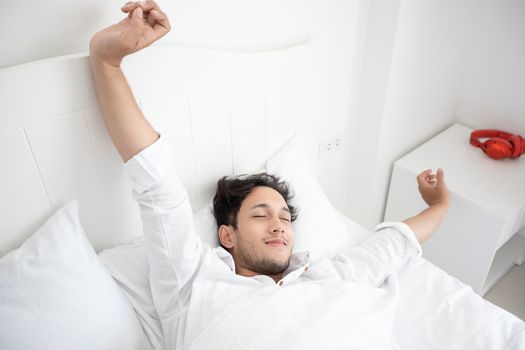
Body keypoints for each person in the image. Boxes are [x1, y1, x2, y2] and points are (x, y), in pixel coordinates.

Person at [89, 2, 451, 349]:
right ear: (226, 235)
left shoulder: (328, 277)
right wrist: (107, 62)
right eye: (260, 215)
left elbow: (395, 243)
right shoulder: (193, 286)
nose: (279, 226)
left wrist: (440, 203)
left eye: (285, 217)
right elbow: (158, 186)